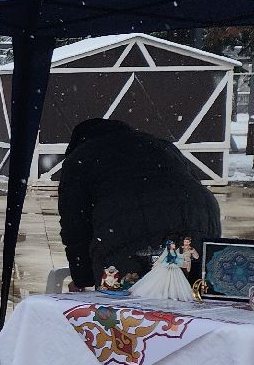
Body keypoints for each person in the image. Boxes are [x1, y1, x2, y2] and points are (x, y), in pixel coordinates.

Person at [56, 118, 221, 290]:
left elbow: (76, 227)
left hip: (128, 224)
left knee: (127, 304)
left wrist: (83, 279)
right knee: (192, 291)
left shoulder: (80, 158)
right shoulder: (160, 145)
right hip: (201, 215)